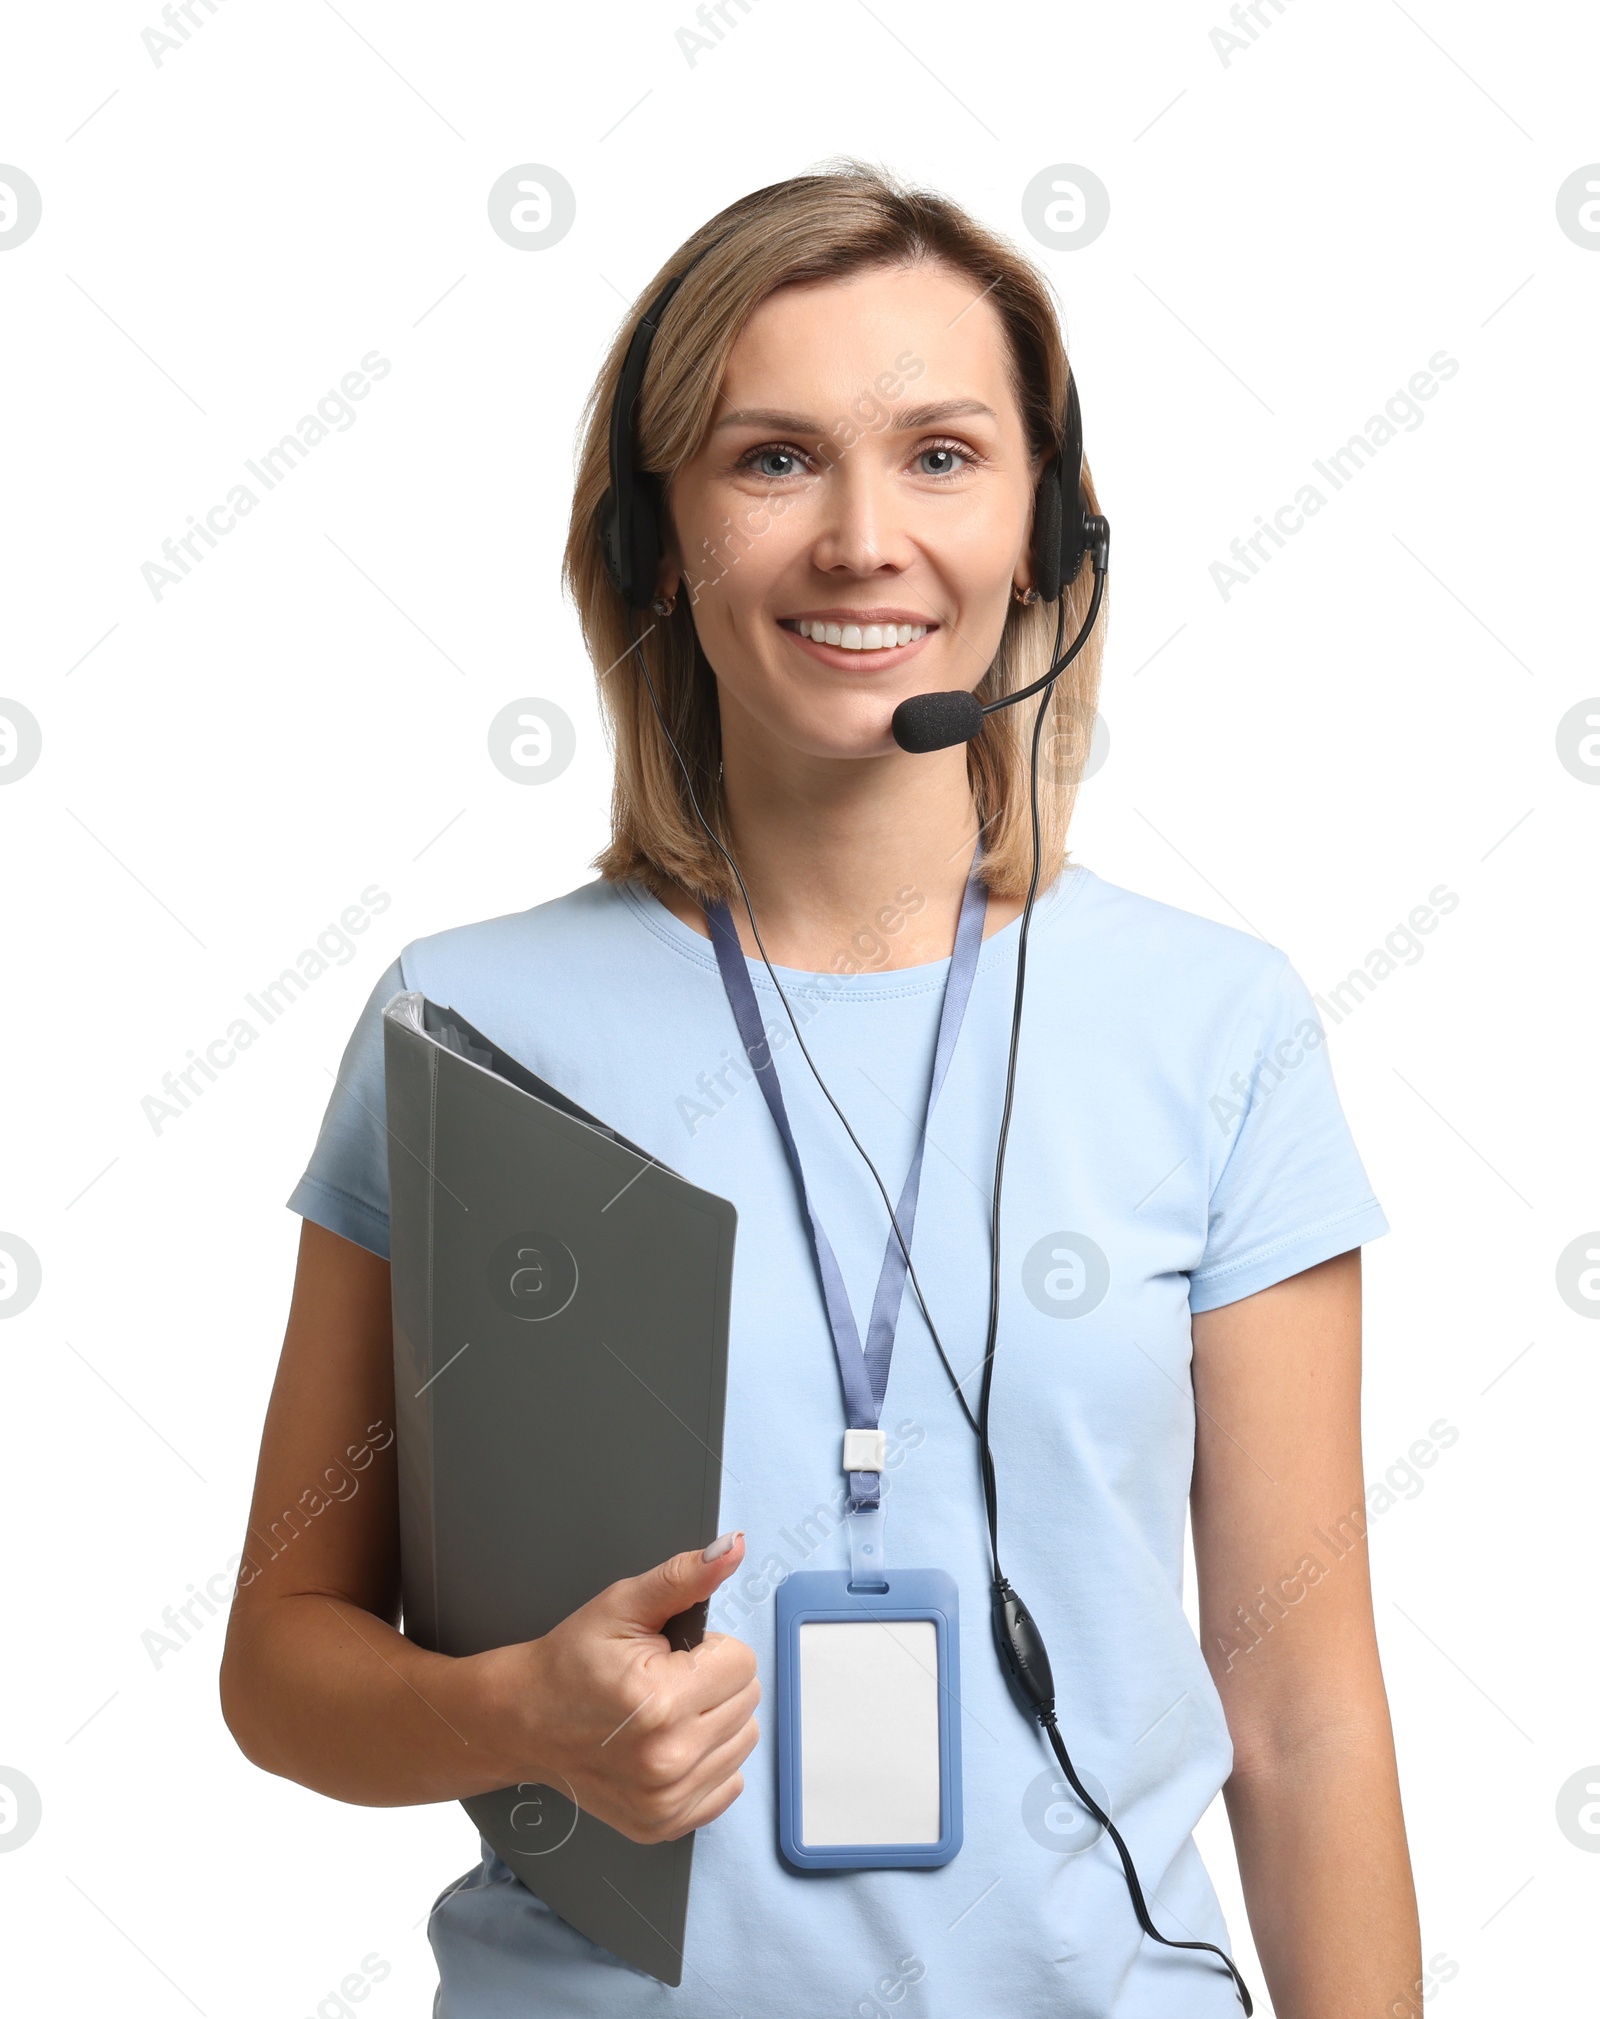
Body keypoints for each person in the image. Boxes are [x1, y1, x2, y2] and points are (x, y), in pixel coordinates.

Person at [220, 164, 1423, 2017]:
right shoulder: (465, 1024)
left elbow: (1307, 1711)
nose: (866, 538)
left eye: (943, 454)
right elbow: (282, 1667)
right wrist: (514, 1716)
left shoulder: (1216, 1028)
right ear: (652, 539)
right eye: (772, 457)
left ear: (1051, 535)